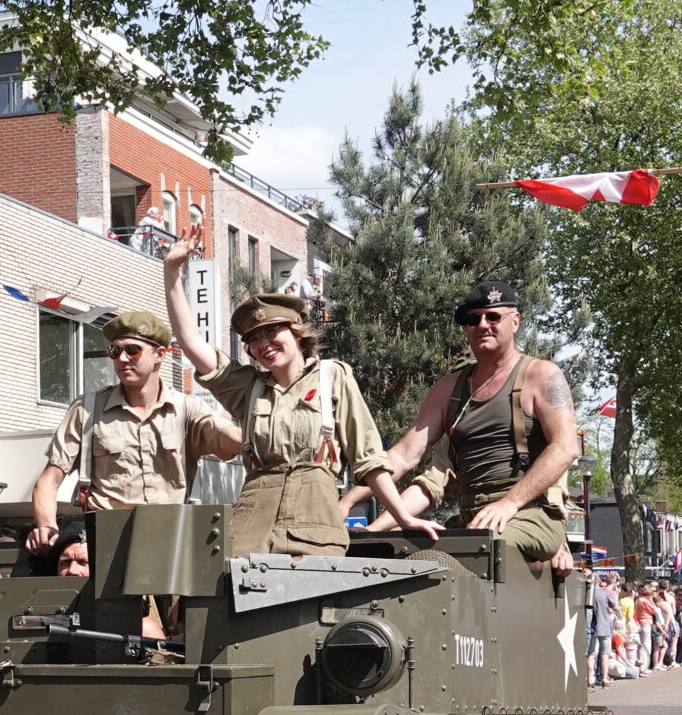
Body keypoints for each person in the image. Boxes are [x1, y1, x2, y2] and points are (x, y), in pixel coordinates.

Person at [161, 221, 428, 553]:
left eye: (272, 331)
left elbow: (369, 458)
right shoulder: (248, 388)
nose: (263, 344)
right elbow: (189, 342)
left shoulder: (333, 377)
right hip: (249, 527)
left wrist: (403, 516)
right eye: (253, 339)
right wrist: (172, 271)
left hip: (314, 524)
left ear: (296, 331)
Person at [375, 281, 581, 567]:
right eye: (474, 319)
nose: (483, 324)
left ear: (516, 321)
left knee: (480, 549)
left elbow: (565, 448)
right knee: (395, 549)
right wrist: (354, 513)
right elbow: (404, 457)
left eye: (493, 317)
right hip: (473, 518)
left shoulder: (541, 375)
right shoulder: (450, 390)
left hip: (529, 511)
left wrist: (509, 503)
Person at [28, 309, 239, 552]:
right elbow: (48, 480)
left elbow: (233, 440)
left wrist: (257, 423)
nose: (122, 359)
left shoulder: (187, 409)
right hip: (107, 541)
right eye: (115, 351)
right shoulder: (87, 409)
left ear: (160, 354)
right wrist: (46, 526)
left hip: (172, 540)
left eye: (132, 350)